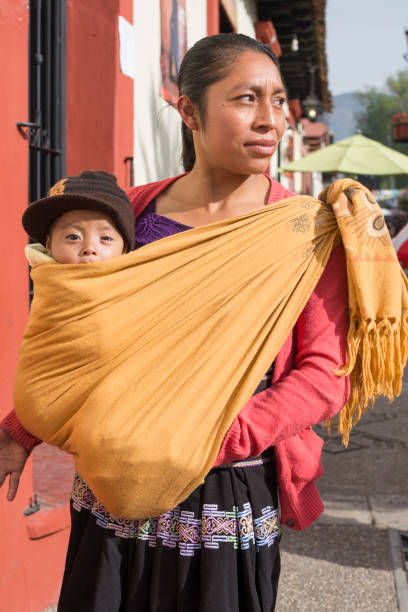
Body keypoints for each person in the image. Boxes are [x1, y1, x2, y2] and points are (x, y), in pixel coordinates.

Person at [1, 34, 350, 611]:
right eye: (245, 99)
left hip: (227, 487)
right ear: (188, 109)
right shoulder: (127, 216)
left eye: (279, 100)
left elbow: (326, 369)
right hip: (115, 484)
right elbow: (82, 340)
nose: (270, 120)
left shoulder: (303, 233)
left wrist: (215, 432)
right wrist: (22, 429)